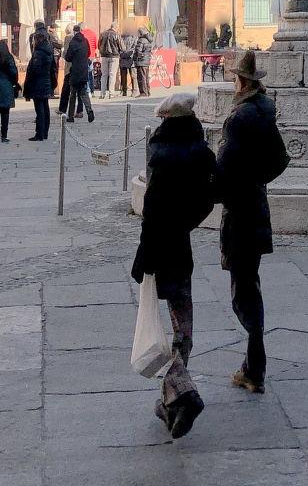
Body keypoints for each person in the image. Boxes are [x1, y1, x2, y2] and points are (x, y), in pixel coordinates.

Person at [132, 96, 217, 439]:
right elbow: (211, 195)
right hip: (181, 245)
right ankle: (171, 401)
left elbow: (151, 211)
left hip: (158, 248)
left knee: (158, 334)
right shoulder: (201, 151)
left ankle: (184, 393)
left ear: (166, 117)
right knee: (183, 325)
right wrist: (188, 221)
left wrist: (143, 256)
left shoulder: (161, 154)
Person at [214, 51, 286, 395]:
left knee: (243, 293)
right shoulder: (265, 114)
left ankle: (253, 368)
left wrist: (216, 191)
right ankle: (252, 365)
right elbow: (280, 159)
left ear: (241, 82)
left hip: (240, 214)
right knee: (249, 284)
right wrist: (258, 179)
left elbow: (224, 169)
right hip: (257, 206)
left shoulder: (239, 119)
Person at [24, 29, 58, 141]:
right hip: (47, 82)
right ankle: (45, 132)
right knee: (45, 108)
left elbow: (35, 70)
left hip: (38, 84)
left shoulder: (38, 53)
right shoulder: (49, 51)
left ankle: (39, 133)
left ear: (37, 40)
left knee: (39, 110)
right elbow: (54, 68)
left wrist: (29, 84)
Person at [62, 26, 96, 122]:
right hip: (84, 70)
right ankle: (89, 111)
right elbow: (89, 53)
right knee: (84, 92)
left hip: (75, 71)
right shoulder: (85, 40)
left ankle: (71, 116)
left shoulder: (73, 42)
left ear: (74, 31)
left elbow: (68, 57)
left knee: (72, 94)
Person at [131, 26, 153, 96]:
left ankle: (143, 93)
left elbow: (138, 51)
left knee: (141, 77)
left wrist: (138, 57)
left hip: (141, 61)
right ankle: (147, 92)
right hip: (146, 61)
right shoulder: (148, 40)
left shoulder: (141, 40)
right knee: (146, 77)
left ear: (140, 33)